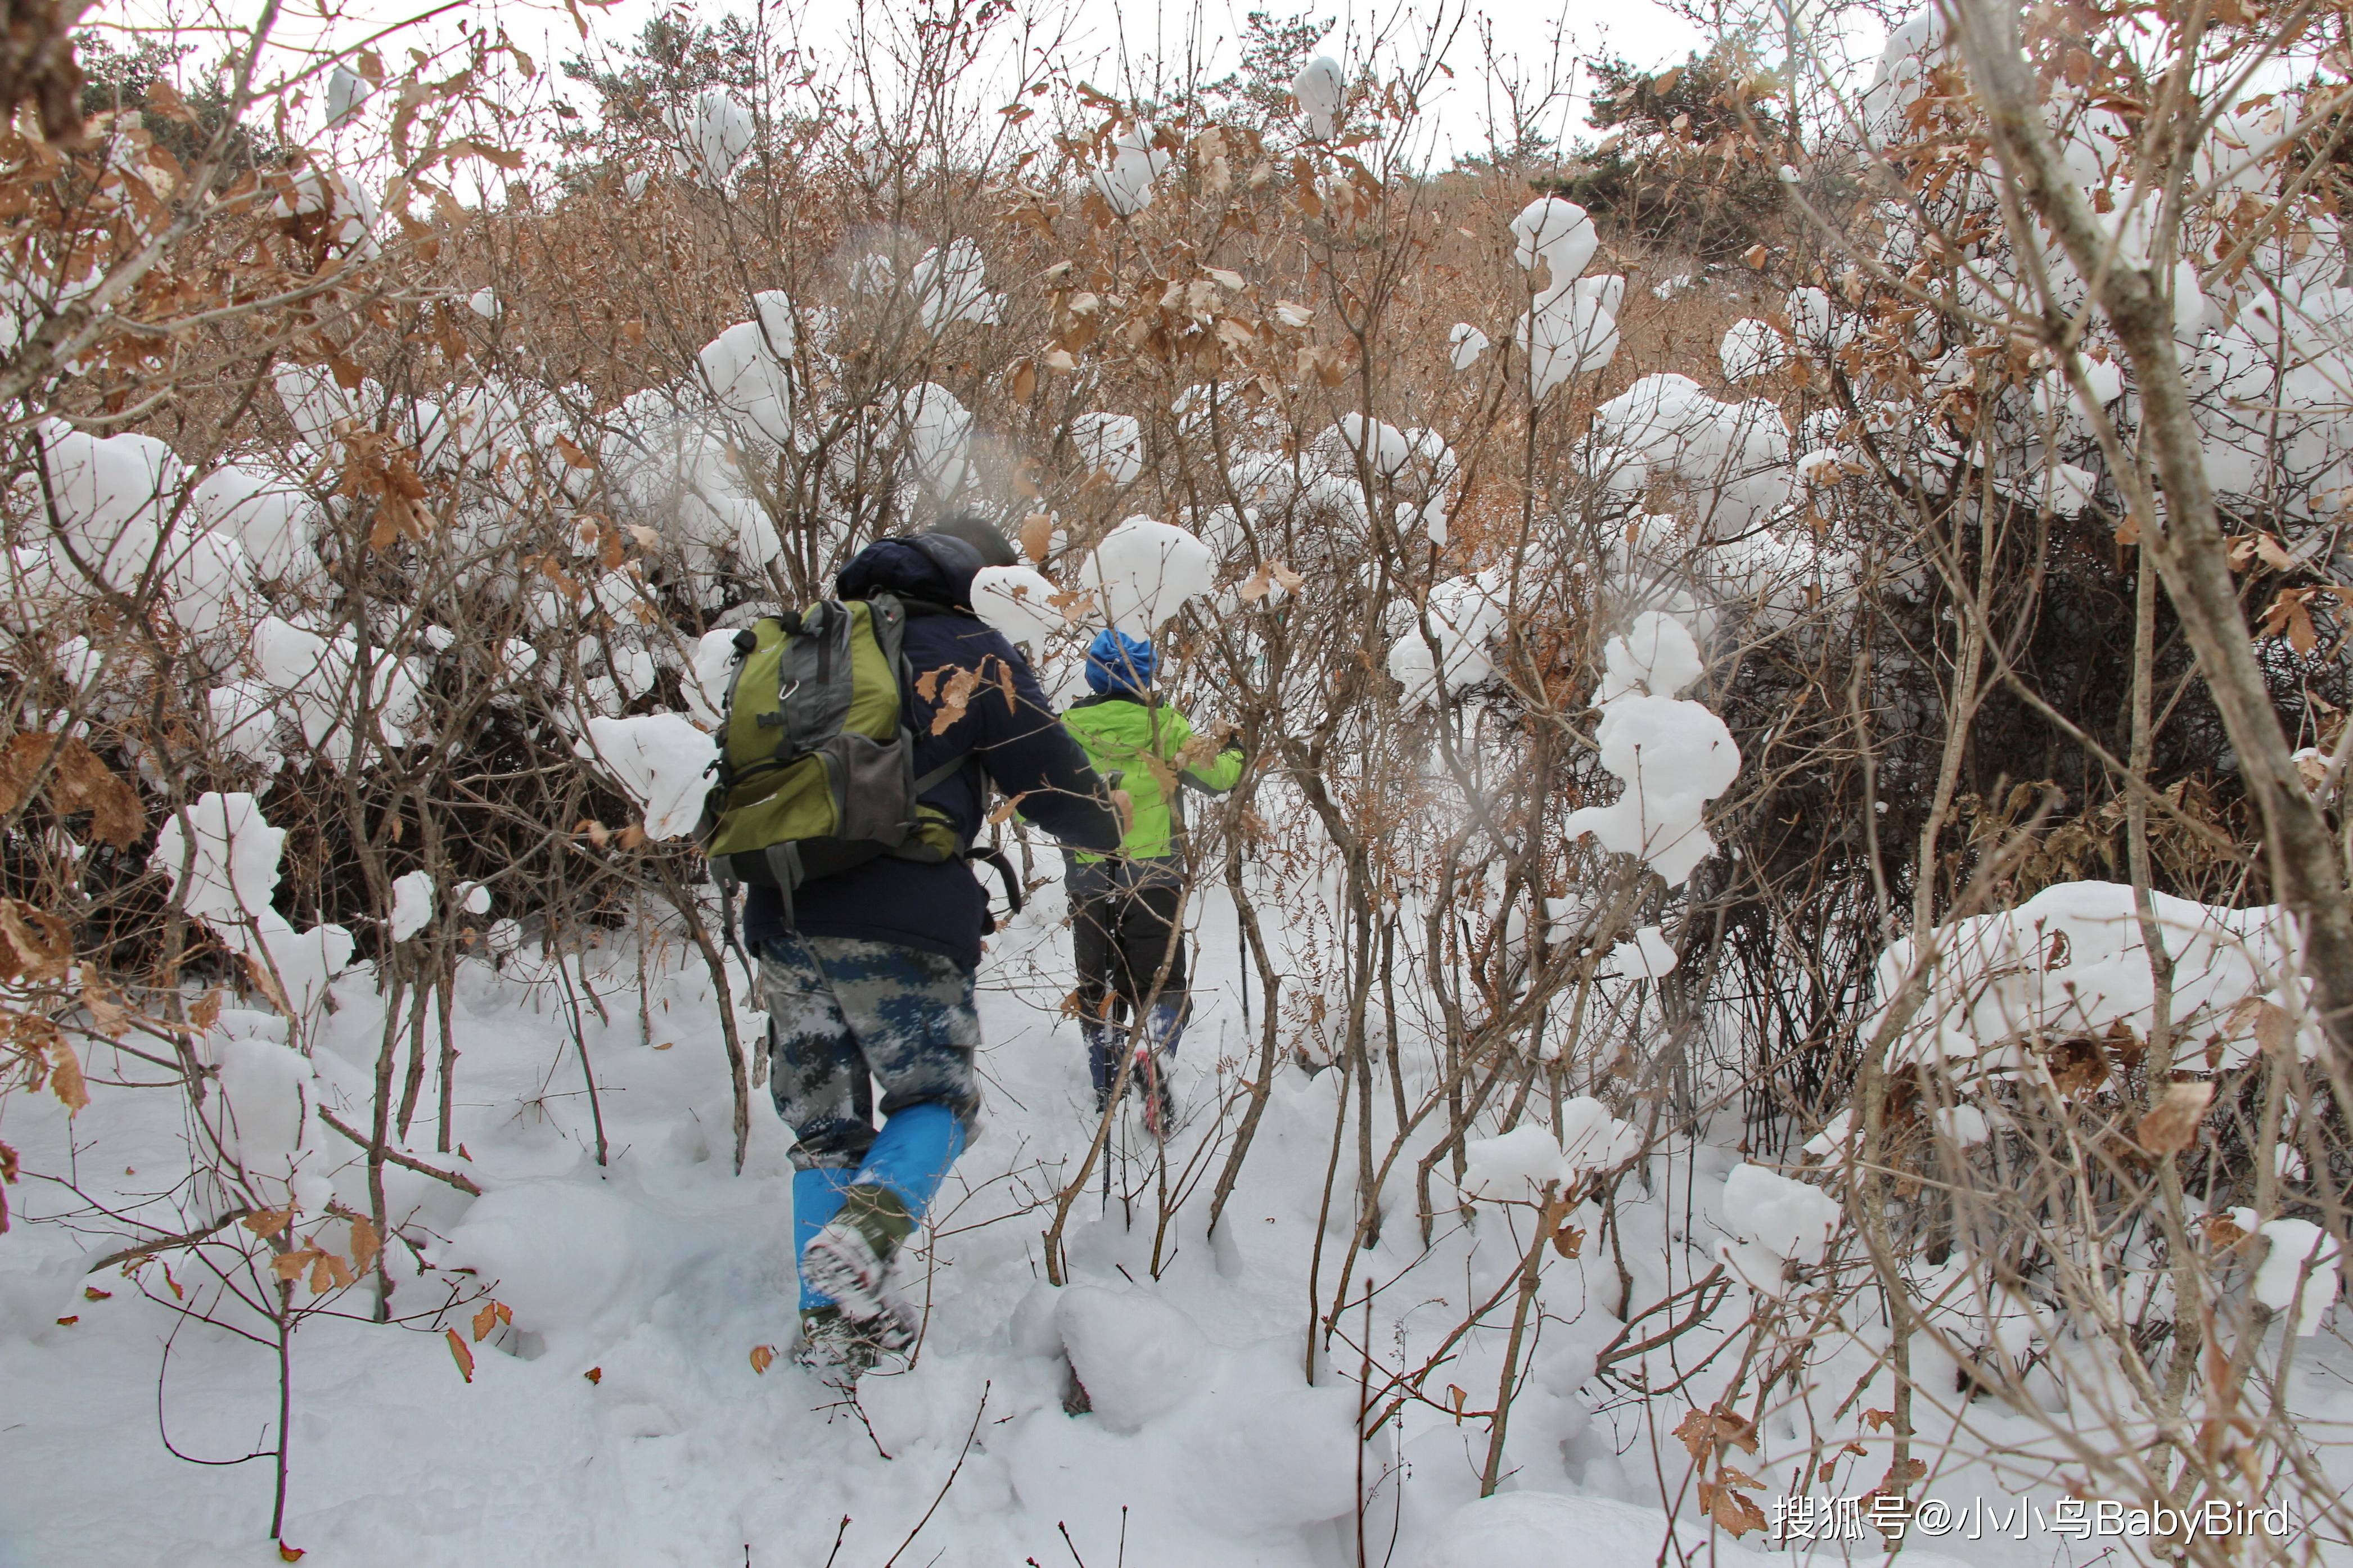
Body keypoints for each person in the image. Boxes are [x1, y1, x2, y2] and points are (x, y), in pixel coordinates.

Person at [746, 512, 1124, 1371]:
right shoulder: (969, 645)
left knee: (824, 1129)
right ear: (984, 580)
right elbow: (1050, 778)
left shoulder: (807, 645)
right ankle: (863, 1238)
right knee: (936, 1101)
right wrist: (1110, 823)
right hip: (903, 916)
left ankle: (835, 1324)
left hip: (781, 912)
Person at [1060, 629, 1245, 1133]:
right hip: (1155, 875)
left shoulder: (1066, 728)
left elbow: (1031, 808)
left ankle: (1105, 1083)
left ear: (1093, 674)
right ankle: (1153, 1054)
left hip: (1089, 875)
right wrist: (1237, 746)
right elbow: (1220, 777)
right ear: (1147, 677)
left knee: (1096, 982)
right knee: (1161, 981)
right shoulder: (1165, 724)